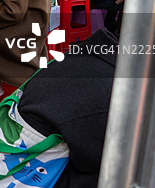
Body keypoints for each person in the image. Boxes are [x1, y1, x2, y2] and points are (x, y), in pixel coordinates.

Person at [16, 28, 118, 188]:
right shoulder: (111, 93)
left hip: (6, 145)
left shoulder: (78, 55)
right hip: (23, 172)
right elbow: (96, 161)